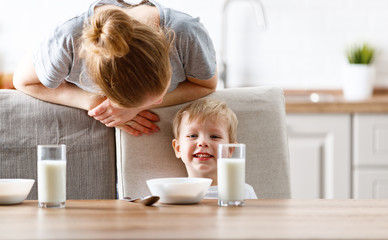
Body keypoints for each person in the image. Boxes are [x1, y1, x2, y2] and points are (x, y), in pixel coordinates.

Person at [13, 0, 217, 137]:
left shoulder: (186, 34)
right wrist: (96, 104)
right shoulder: (67, 40)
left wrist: (133, 107)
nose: (159, 102)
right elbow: (22, 81)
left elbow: (207, 86)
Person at [172, 98, 257, 199]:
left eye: (214, 136)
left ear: (230, 150)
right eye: (192, 136)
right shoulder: (172, 192)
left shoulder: (243, 192)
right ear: (178, 148)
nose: (202, 142)